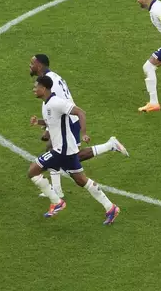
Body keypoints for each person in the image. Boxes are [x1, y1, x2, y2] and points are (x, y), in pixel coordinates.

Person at [29, 54, 129, 197]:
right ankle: (57, 190)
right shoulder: (52, 77)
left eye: (32, 63)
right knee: (54, 150)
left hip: (69, 121)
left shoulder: (49, 81)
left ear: (39, 65)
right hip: (66, 119)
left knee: (69, 156)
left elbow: (58, 105)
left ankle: (110, 145)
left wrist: (50, 129)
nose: (30, 66)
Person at [29, 75, 120, 224]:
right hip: (66, 150)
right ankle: (111, 208)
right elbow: (51, 121)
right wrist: (38, 122)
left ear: (44, 88)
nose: (34, 89)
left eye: (36, 86)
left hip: (61, 150)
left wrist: (83, 133)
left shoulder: (57, 102)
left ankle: (56, 201)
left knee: (32, 171)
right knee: (81, 180)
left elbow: (80, 112)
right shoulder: (46, 104)